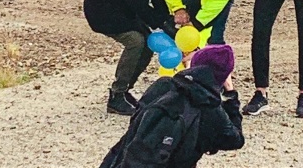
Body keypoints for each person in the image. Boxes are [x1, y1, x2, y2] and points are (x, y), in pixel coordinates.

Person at [100, 44, 245, 168]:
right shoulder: (210, 108)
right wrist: (231, 95)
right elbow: (236, 140)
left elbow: (135, 123)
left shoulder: (162, 86)